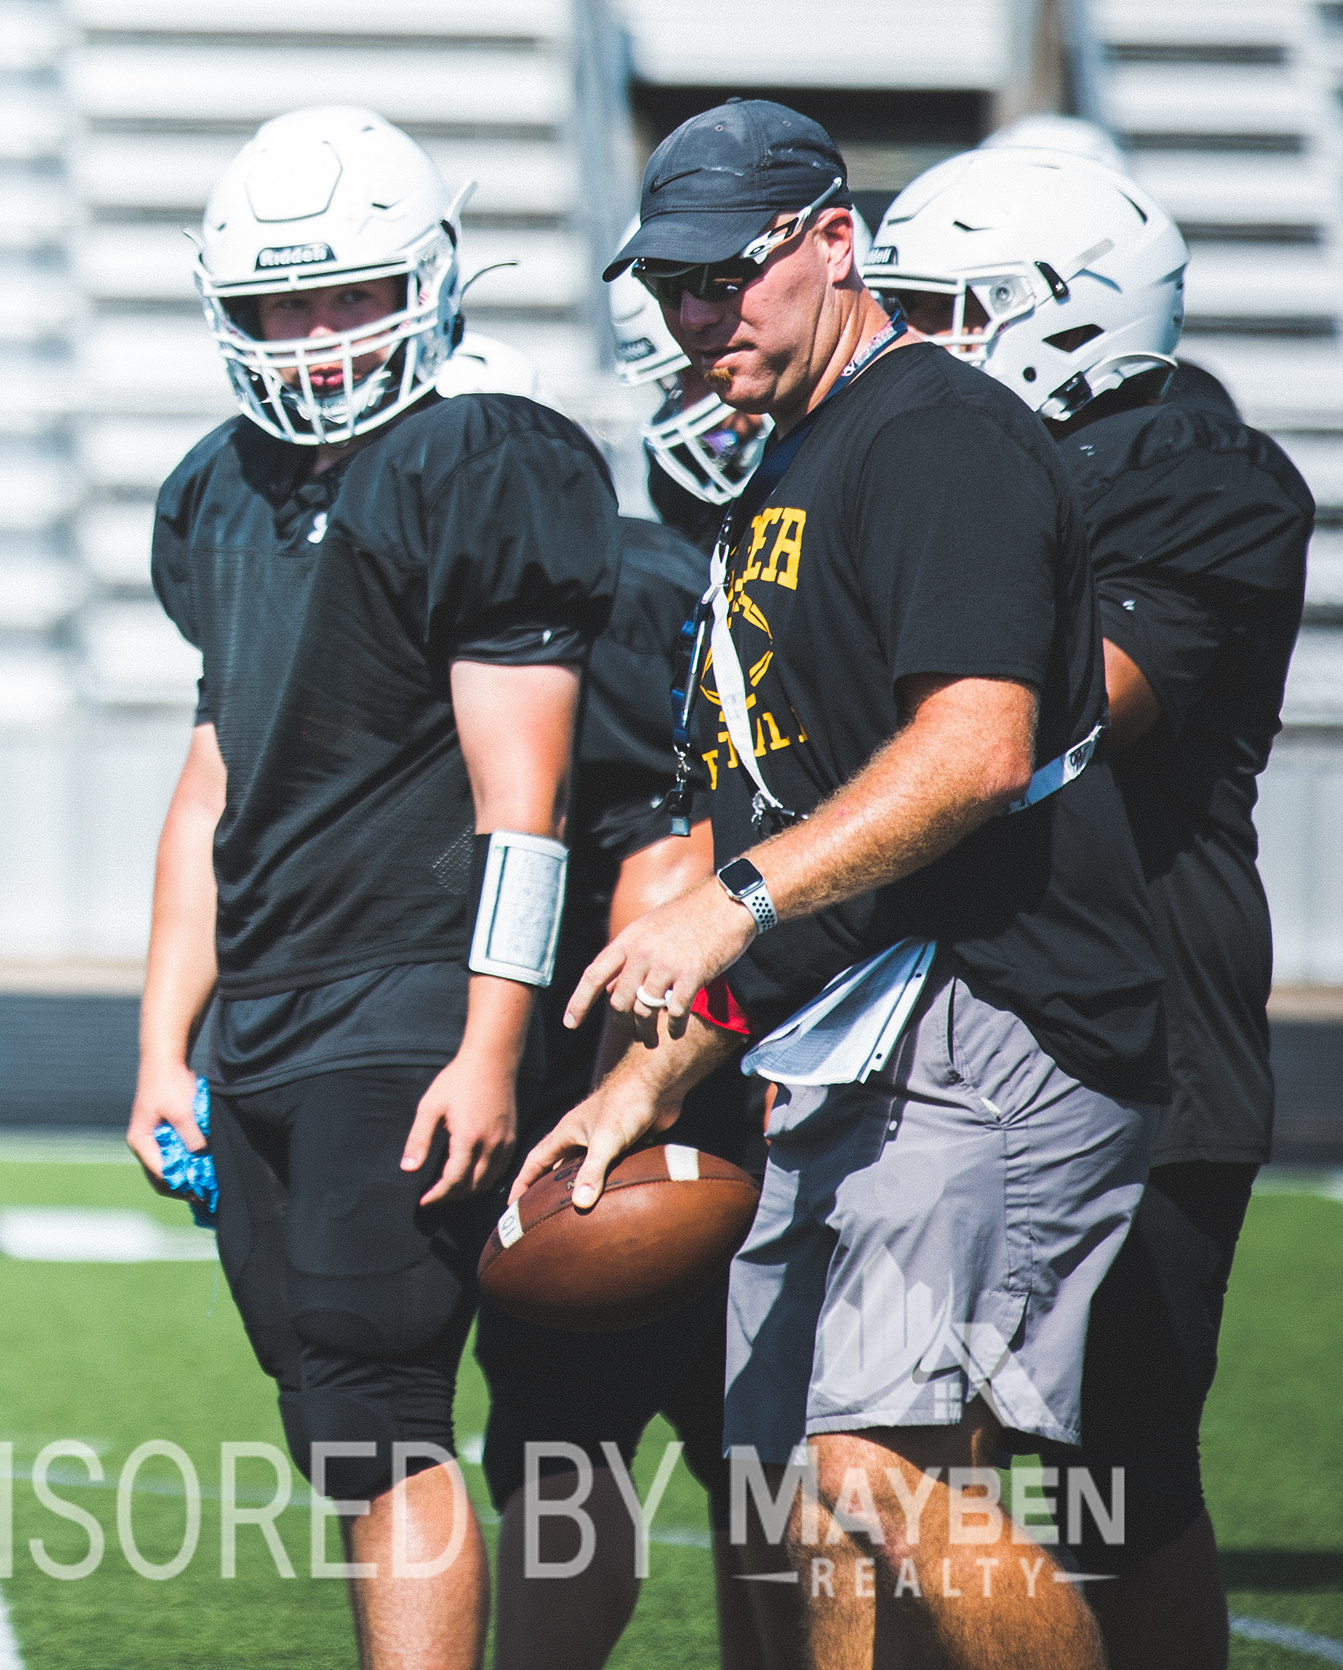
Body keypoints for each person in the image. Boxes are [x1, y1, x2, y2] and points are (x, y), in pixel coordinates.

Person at [525, 99, 1169, 1670]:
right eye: (670, 287)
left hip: (995, 1017)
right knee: (800, 1499)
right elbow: (810, 816)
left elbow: (974, 751)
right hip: (852, 1026)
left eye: (725, 277)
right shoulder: (790, 458)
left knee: (885, 1474)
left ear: (833, 243)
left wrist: (731, 902)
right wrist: (647, 1080)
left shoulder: (935, 432)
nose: (698, 316)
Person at [130, 104, 618, 1670]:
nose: (318, 338)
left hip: (407, 989)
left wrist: (488, 1043)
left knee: (384, 1403)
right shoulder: (219, 487)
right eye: (283, 304)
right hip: (269, 1008)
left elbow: (526, 805)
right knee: (338, 1423)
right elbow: (212, 786)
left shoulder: (478, 460)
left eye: (350, 295)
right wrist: (161, 1047)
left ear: (429, 283)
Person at [875, 143, 1309, 1670]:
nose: (904, 344)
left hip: (1141, 1030)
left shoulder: (1190, 467)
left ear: (1071, 314)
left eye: (944, 310)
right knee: (890, 1448)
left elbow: (1052, 718)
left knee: (1116, 1473)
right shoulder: (935, 460)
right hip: (939, 1017)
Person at [475, 282, 772, 1670]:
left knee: (586, 1449)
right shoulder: (679, 565)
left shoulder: (620, 585)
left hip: (664, 1065)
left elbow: (669, 859)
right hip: (720, 1049)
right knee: (753, 1464)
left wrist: (622, 1096)